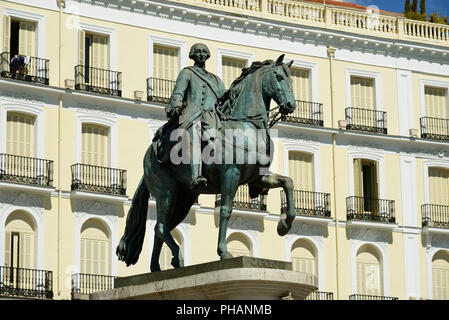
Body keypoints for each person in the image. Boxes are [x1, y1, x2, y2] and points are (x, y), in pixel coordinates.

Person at [164, 43, 226, 190]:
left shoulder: (216, 80)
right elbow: (178, 93)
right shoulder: (187, 73)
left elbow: (223, 101)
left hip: (213, 119)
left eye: (204, 52)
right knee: (195, 136)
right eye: (197, 52)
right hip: (193, 116)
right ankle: (196, 175)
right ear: (192, 55)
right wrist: (176, 106)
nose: (201, 54)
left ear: (208, 55)